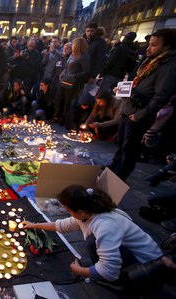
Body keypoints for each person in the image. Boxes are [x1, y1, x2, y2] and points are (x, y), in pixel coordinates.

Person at [20, 184, 162, 284]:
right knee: (93, 241)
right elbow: (62, 225)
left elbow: (109, 272)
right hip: (134, 255)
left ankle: (123, 281)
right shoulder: (89, 210)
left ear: (80, 212)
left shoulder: (105, 226)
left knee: (92, 241)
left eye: (68, 210)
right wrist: (35, 225)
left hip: (146, 266)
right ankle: (98, 265)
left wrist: (79, 270)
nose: (68, 213)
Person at [109, 28, 176, 181]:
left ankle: (120, 177)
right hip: (130, 107)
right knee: (121, 143)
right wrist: (123, 89)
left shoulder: (167, 67)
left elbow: (160, 97)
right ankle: (113, 167)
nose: (148, 48)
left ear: (167, 47)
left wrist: (140, 115)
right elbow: (139, 83)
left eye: (154, 45)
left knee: (129, 148)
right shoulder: (151, 61)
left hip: (138, 113)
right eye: (149, 44)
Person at [54, 37, 90, 129]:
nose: (72, 45)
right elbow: (67, 67)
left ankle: (64, 119)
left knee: (67, 102)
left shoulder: (84, 56)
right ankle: (56, 116)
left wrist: (75, 76)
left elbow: (86, 71)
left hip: (72, 83)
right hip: (64, 80)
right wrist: (62, 73)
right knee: (58, 99)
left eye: (74, 44)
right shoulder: (72, 55)